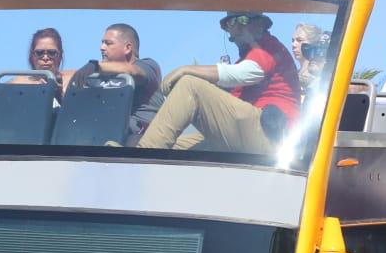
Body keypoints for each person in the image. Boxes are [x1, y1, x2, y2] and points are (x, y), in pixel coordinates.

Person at [134, 11, 301, 154]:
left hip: (272, 133)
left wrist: (186, 69)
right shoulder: (247, 56)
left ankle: (138, 163)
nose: (236, 28)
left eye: (242, 20)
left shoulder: (267, 47)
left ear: (260, 25)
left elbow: (246, 73)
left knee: (190, 86)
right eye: (231, 23)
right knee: (174, 148)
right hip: (255, 135)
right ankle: (136, 153)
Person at [69, 23, 162, 109]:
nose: (102, 48)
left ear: (127, 48)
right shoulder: (101, 78)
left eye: (108, 43)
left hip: (142, 126)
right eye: (102, 43)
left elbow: (132, 71)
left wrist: (95, 66)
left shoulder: (149, 66)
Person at [20, 27, 71, 92]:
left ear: (60, 55)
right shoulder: (18, 85)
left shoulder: (73, 81)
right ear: (32, 56)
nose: (45, 58)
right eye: (39, 53)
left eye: (52, 53)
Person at [291, 23, 329, 93]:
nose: (293, 44)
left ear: (313, 44)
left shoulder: (320, 78)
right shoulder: (290, 75)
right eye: (293, 40)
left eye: (299, 40)